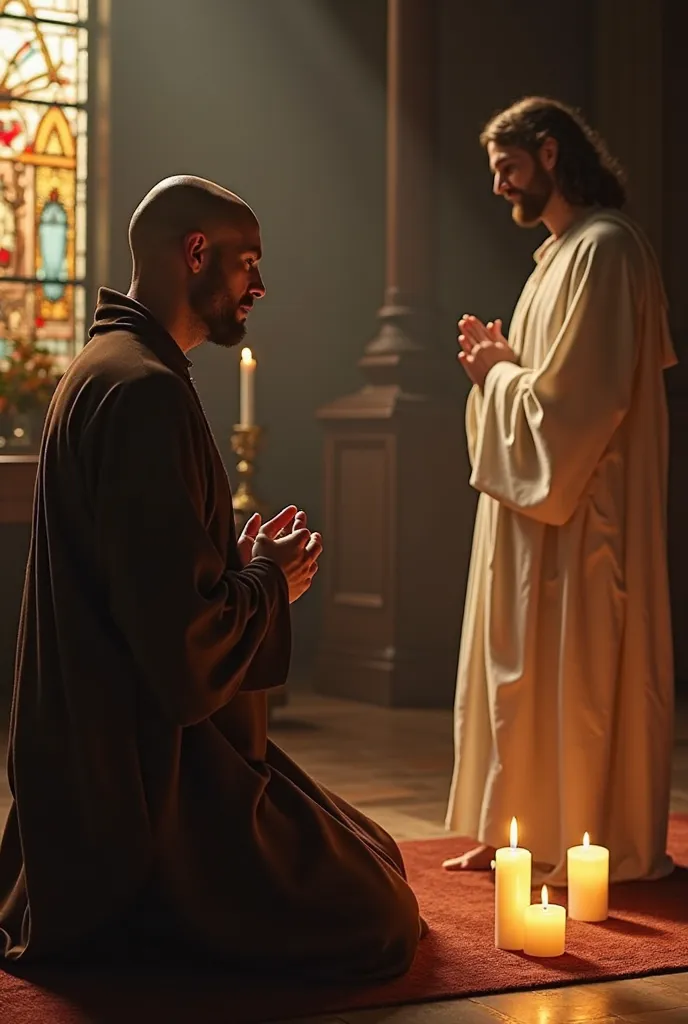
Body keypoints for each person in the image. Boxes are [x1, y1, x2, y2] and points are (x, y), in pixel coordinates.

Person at [0, 175, 422, 978]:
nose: (258, 286)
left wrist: (235, 562)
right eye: (247, 264)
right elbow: (179, 653)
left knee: (377, 851)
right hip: (141, 784)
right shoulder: (144, 393)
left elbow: (150, 580)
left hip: (108, 751)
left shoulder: (108, 367)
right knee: (380, 919)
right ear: (196, 253)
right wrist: (267, 581)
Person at [442, 98, 677, 885]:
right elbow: (543, 394)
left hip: (586, 519)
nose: (501, 186)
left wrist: (497, 374)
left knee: (573, 675)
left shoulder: (605, 251)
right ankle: (524, 832)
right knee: (526, 671)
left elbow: (582, 406)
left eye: (508, 168)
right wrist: (503, 372)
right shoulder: (559, 257)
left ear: (550, 152)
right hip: (539, 513)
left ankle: (580, 836)